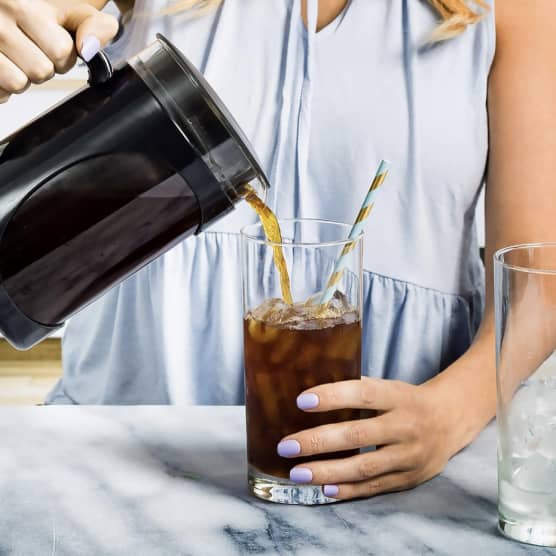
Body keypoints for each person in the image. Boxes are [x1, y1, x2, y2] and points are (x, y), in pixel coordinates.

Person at [0, 0, 554, 501]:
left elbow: (539, 276)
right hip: (120, 462)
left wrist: (453, 412)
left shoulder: (514, 9)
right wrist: (20, 33)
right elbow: (48, 12)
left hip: (385, 482)